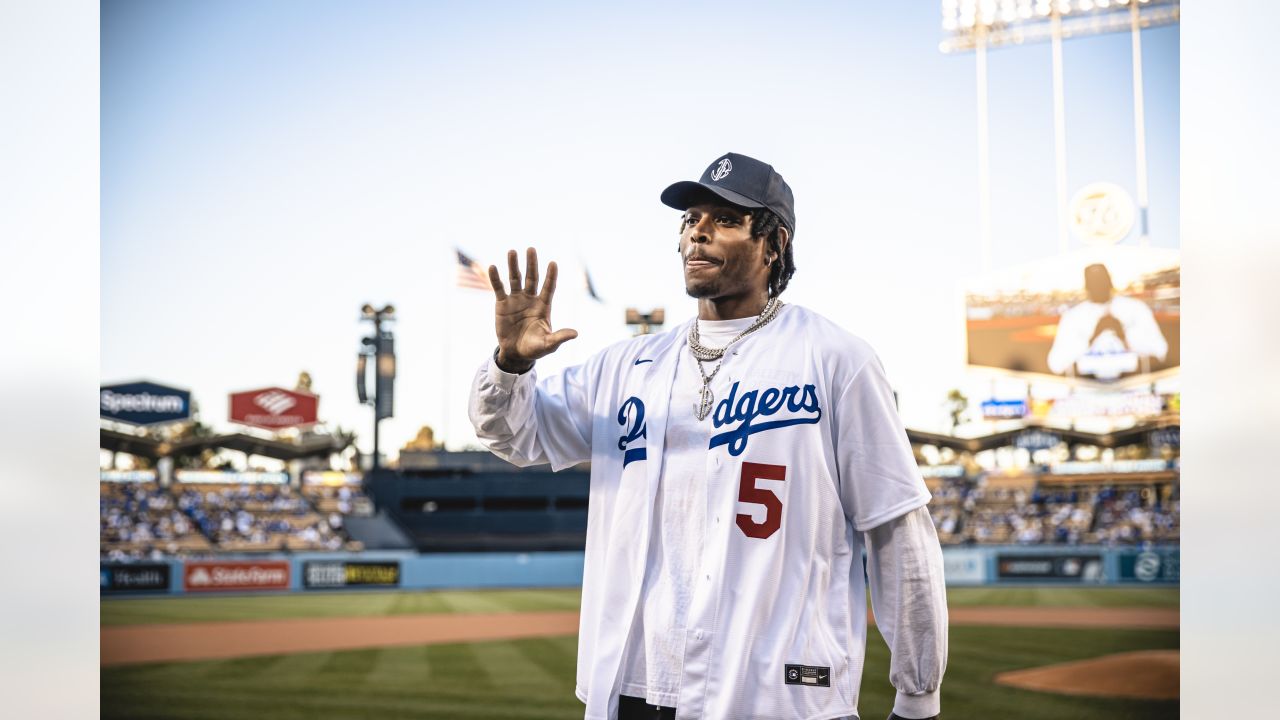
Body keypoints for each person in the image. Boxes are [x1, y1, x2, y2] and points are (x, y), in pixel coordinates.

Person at [469, 152, 947, 720]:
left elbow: (897, 527)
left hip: (778, 696)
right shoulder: (626, 366)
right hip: (632, 690)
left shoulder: (836, 360)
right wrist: (510, 365)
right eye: (689, 219)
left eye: (725, 219)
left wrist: (918, 697)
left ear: (774, 244)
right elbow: (512, 435)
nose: (698, 231)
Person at [1046, 263, 1169, 380]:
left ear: (1110, 283)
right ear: (1086, 287)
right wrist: (1091, 338)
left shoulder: (1136, 308)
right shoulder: (1073, 317)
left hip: (1133, 387)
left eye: (1102, 283)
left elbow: (1161, 351)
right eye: (1094, 284)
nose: (1099, 288)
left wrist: (1124, 336)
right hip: (1086, 391)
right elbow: (1055, 364)